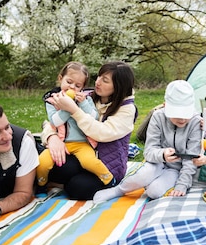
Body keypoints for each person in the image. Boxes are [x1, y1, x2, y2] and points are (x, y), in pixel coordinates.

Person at [40, 61, 137, 200]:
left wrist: (73, 110)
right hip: (81, 152)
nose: (97, 82)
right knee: (54, 161)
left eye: (105, 80)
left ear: (118, 86)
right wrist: (51, 137)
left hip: (106, 164)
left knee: (78, 188)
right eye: (98, 77)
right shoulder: (88, 95)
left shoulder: (126, 109)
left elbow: (102, 133)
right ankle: (52, 182)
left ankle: (106, 184)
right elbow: (51, 122)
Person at [93, 80, 202, 203]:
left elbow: (192, 159)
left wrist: (182, 184)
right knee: (143, 174)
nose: (182, 119)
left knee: (154, 192)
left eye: (185, 114)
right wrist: (162, 155)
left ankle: (152, 182)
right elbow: (149, 151)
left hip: (177, 170)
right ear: (166, 106)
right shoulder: (158, 117)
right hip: (156, 163)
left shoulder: (196, 122)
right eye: (177, 113)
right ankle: (119, 190)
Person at [36, 61, 115, 187]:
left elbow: (94, 116)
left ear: (82, 88)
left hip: (81, 143)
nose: (72, 87)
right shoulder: (52, 100)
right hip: (61, 143)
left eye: (77, 85)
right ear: (61, 79)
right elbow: (54, 121)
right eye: (69, 82)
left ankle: (109, 180)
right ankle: (41, 184)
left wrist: (81, 104)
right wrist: (67, 107)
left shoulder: (85, 99)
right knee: (43, 162)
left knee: (90, 162)